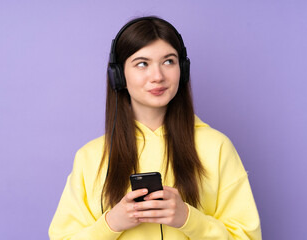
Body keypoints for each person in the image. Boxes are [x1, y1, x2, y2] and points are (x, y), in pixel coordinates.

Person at [49, 16, 262, 240]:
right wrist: (110, 224)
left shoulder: (216, 147)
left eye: (169, 61)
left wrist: (189, 219)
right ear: (119, 75)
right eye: (142, 63)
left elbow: (247, 237)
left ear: (183, 69)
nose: (158, 76)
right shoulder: (90, 157)